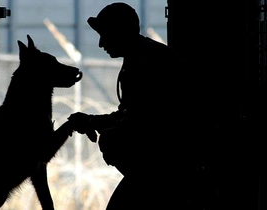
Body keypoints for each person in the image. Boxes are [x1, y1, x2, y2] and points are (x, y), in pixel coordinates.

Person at [68, 2, 217, 209]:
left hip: (171, 160)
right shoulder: (143, 55)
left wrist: (94, 122)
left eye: (105, 34)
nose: (101, 43)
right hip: (173, 156)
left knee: (112, 140)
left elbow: (141, 121)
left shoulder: (144, 62)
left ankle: (160, 191)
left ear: (120, 32)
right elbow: (134, 115)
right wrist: (93, 121)